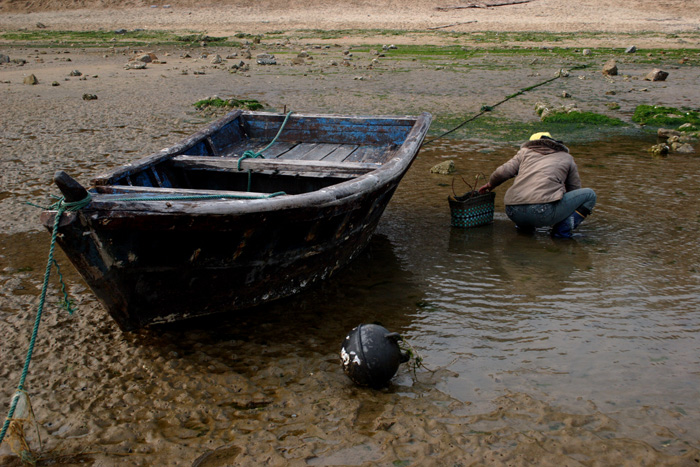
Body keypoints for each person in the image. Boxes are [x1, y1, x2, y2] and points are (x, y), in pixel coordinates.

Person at [478, 132, 596, 238]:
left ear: (531, 143)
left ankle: (524, 230)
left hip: (513, 211)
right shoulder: (567, 158)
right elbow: (574, 189)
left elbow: (502, 173)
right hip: (542, 212)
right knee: (590, 195)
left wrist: (490, 185)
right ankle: (561, 232)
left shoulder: (524, 152)